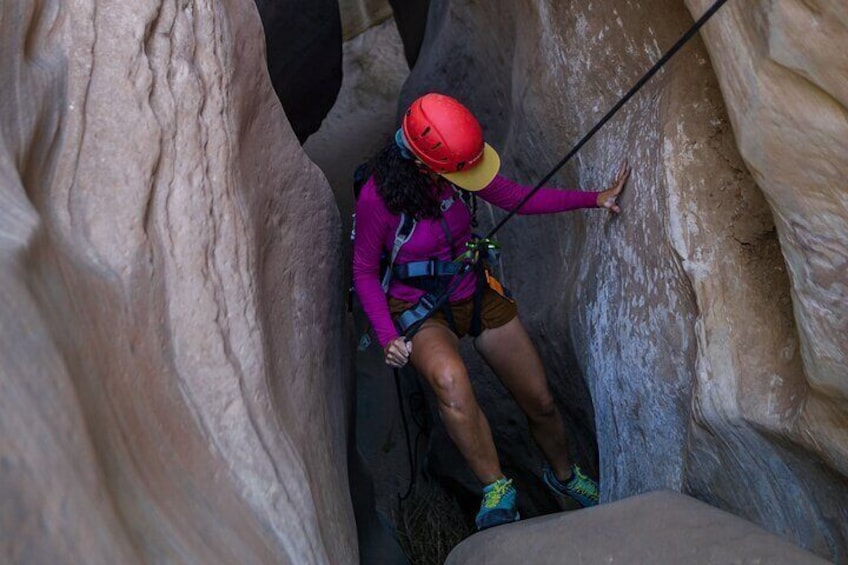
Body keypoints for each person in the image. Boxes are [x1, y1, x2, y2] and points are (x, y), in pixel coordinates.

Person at [352, 92, 630, 530]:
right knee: (450, 382)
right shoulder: (378, 198)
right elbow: (365, 269)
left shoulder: (457, 173)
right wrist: (389, 335)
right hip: (420, 309)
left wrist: (594, 199)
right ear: (425, 163)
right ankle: (496, 488)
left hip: (474, 289)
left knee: (538, 398)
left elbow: (517, 197)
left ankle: (565, 477)